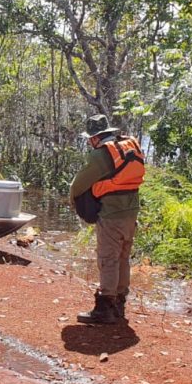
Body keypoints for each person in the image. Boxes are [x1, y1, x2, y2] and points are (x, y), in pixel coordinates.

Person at [69, 114, 145, 324]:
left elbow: (77, 186)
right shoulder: (126, 148)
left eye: (89, 139)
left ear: (95, 137)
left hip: (111, 215)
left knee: (107, 260)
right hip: (131, 213)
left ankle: (104, 308)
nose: (89, 143)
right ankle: (119, 305)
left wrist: (74, 203)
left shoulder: (100, 155)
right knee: (122, 259)